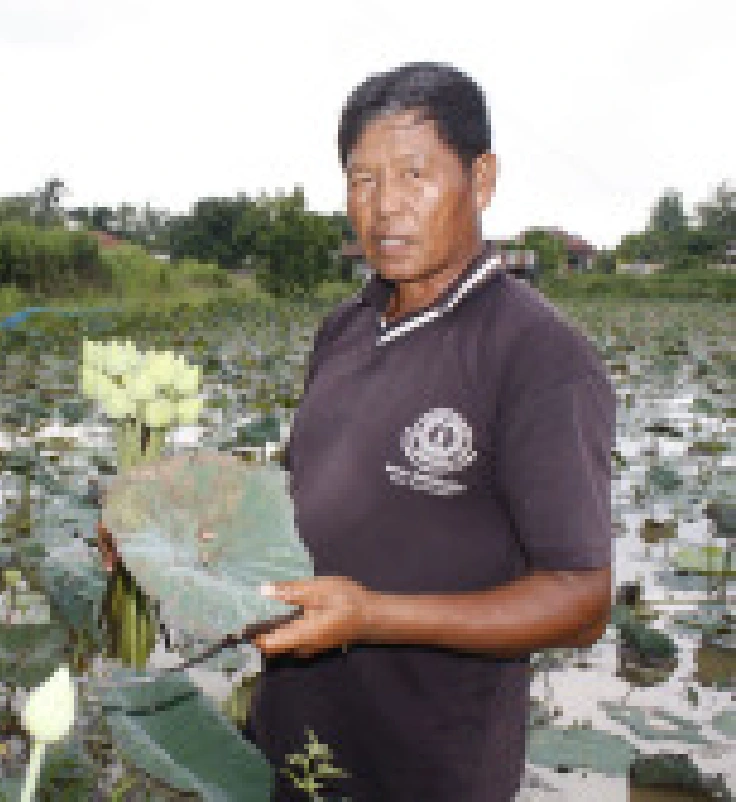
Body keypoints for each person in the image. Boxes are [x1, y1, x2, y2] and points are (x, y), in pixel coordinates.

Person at [99, 62, 615, 801]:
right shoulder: (345, 326)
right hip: (289, 734)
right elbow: (285, 501)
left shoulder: (539, 356)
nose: (385, 207)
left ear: (483, 179)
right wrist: (160, 525)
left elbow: (581, 601)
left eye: (414, 173)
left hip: (425, 767)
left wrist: (369, 616)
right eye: (362, 179)